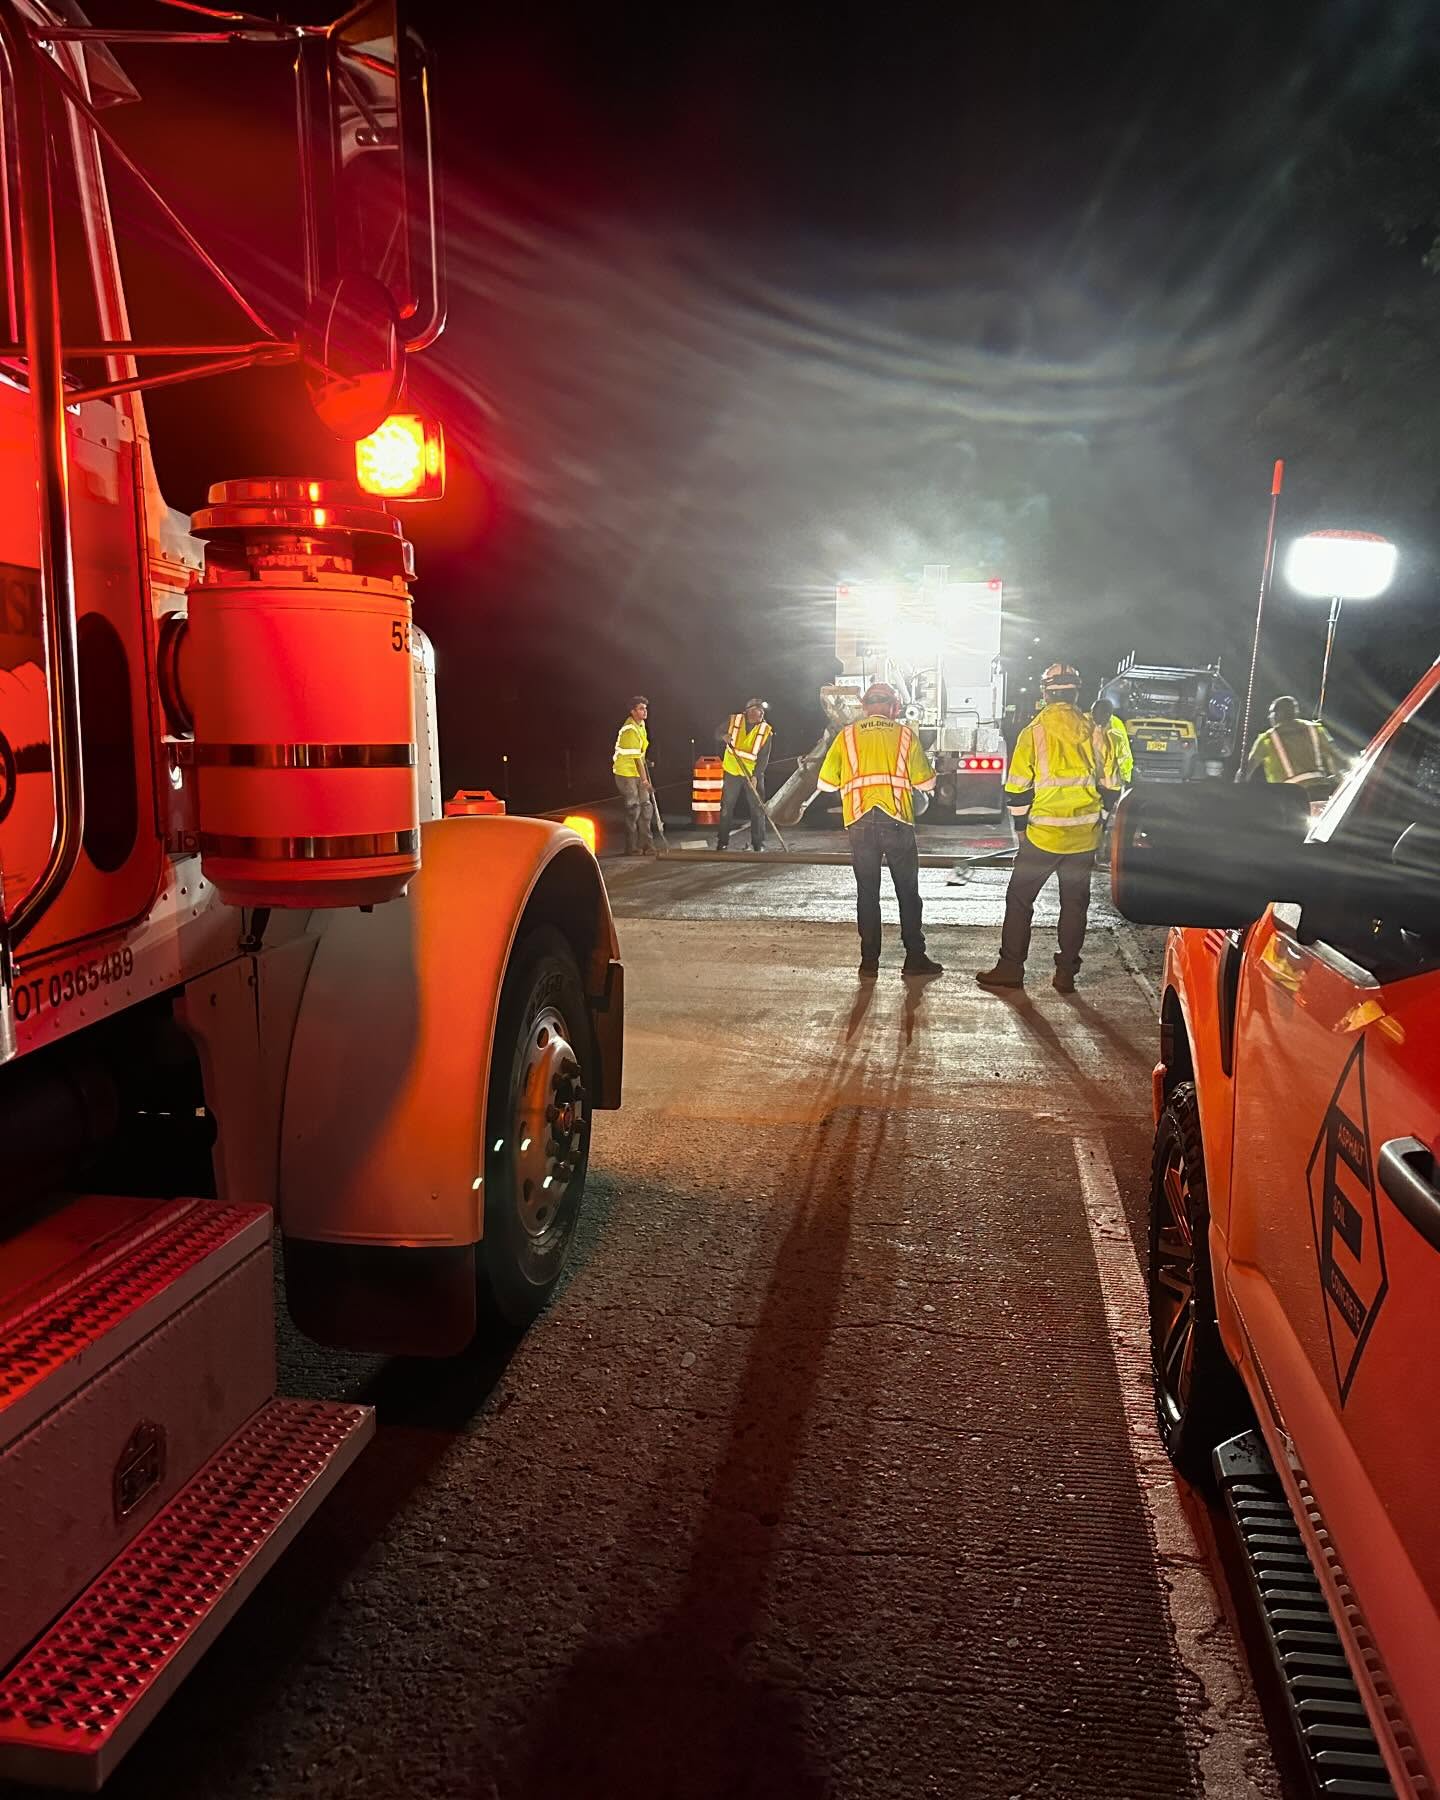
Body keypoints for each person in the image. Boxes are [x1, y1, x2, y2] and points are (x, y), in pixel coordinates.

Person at [977, 662, 1120, 995]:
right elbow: (1112, 784)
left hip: (1042, 837)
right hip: (1083, 838)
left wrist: (1021, 828)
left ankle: (1011, 968)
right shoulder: (1095, 731)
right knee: (1074, 905)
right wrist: (1100, 818)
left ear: (1045, 693)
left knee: (1020, 900)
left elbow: (1016, 789)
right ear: (1076, 692)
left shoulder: (1034, 732)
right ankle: (1066, 973)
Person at [808, 682, 943, 978]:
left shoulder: (847, 737)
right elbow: (927, 784)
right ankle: (914, 958)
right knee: (907, 892)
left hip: (859, 821)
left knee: (867, 893)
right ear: (894, 707)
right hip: (896, 820)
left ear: (866, 707)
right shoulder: (905, 735)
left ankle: (869, 962)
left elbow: (825, 784)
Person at [1245, 694, 1340, 797]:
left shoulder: (1267, 739)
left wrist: (1238, 791)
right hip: (1319, 790)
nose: (1270, 717)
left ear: (1279, 713)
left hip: (1289, 795)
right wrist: (1338, 778)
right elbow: (1334, 757)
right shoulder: (1314, 729)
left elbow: (1247, 769)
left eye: (1272, 713)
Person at [716, 698, 774, 851]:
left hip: (752, 773)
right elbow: (717, 733)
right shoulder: (734, 720)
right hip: (732, 771)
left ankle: (758, 843)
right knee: (727, 807)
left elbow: (764, 757)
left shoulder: (765, 730)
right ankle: (722, 842)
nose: (761, 713)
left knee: (757, 808)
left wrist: (756, 776)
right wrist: (724, 737)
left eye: (762, 711)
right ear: (748, 711)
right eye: (758, 709)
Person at [613, 695, 655, 856]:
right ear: (632, 711)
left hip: (637, 770)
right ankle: (631, 847)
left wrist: (646, 763)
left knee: (646, 806)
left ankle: (647, 844)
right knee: (633, 808)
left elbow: (640, 754)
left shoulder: (641, 725)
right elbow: (636, 759)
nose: (645, 711)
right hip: (626, 773)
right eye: (641, 708)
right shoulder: (629, 730)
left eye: (645, 708)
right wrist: (645, 781)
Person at [1091, 696, 1133, 785]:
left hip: (1110, 784)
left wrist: (1124, 778)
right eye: (1092, 713)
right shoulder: (1090, 724)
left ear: (1107, 714)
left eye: (1095, 714)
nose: (1093, 717)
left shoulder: (1116, 731)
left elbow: (1124, 756)